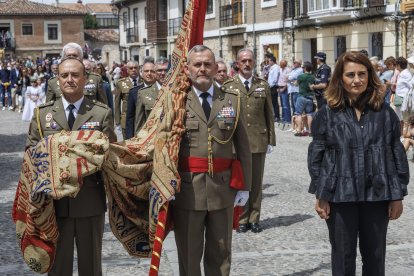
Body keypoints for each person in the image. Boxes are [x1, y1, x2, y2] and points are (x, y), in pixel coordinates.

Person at [308, 51, 409, 276]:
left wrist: (397, 194)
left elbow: (396, 154)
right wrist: (321, 194)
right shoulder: (327, 113)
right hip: (339, 197)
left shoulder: (384, 113)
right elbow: (317, 156)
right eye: (350, 74)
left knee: (375, 258)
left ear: (369, 76)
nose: (357, 80)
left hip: (377, 195)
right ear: (340, 79)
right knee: (343, 259)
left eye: (362, 74)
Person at [26, 57, 116, 276]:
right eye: (64, 75)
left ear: (85, 79)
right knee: (57, 267)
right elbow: (30, 153)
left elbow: (110, 156)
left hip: (89, 201)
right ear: (57, 79)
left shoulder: (100, 113)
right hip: (53, 205)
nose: (70, 79)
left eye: (75, 75)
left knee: (91, 266)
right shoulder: (42, 114)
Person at [173, 45, 252, 276]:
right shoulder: (177, 101)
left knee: (220, 254)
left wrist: (245, 187)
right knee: (188, 254)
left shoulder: (231, 100)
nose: (203, 69)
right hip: (188, 191)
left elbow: (244, 149)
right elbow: (162, 146)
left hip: (223, 189)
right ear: (187, 69)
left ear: (216, 67)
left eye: (208, 64)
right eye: (197, 64)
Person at [223, 48, 276, 233]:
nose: (247, 64)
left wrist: (271, 139)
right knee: (241, 181)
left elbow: (269, 114)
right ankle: (241, 218)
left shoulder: (262, 85)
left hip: (257, 141)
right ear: (237, 63)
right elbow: (225, 116)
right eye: (243, 61)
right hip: (236, 143)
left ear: (254, 62)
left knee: (256, 182)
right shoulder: (228, 86)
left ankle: (254, 218)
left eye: (250, 60)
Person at [133, 58, 168, 134]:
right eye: (159, 70)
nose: (163, 73)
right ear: (155, 73)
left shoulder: (178, 91)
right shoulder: (143, 93)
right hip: (152, 140)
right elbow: (139, 124)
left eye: (166, 70)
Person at [114, 61, 140, 139]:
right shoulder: (121, 83)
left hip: (141, 119)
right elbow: (117, 104)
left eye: (136, 68)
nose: (134, 70)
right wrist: (118, 122)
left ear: (139, 69)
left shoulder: (144, 82)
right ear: (127, 70)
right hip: (126, 120)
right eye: (131, 68)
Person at [293, 61, 315, 136]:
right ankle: (311, 131)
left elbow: (296, 84)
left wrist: (294, 82)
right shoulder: (312, 77)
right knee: (309, 114)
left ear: (305, 68)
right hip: (310, 97)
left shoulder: (301, 76)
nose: (302, 68)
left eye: (303, 67)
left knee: (298, 114)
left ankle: (299, 131)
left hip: (301, 96)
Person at [277, 59, 292, 124]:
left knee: (286, 104)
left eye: (281, 64)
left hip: (285, 88)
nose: (280, 64)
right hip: (280, 87)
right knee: (282, 104)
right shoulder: (280, 70)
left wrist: (284, 88)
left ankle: (287, 119)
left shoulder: (288, 70)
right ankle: (283, 117)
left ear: (284, 64)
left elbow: (287, 80)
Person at [267, 56, 280, 122]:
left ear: (272, 61)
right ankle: (274, 115)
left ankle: (277, 116)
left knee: (274, 102)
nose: (268, 62)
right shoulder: (271, 68)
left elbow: (275, 78)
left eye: (269, 61)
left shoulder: (276, 68)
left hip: (273, 86)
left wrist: (271, 85)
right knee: (271, 102)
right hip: (270, 86)